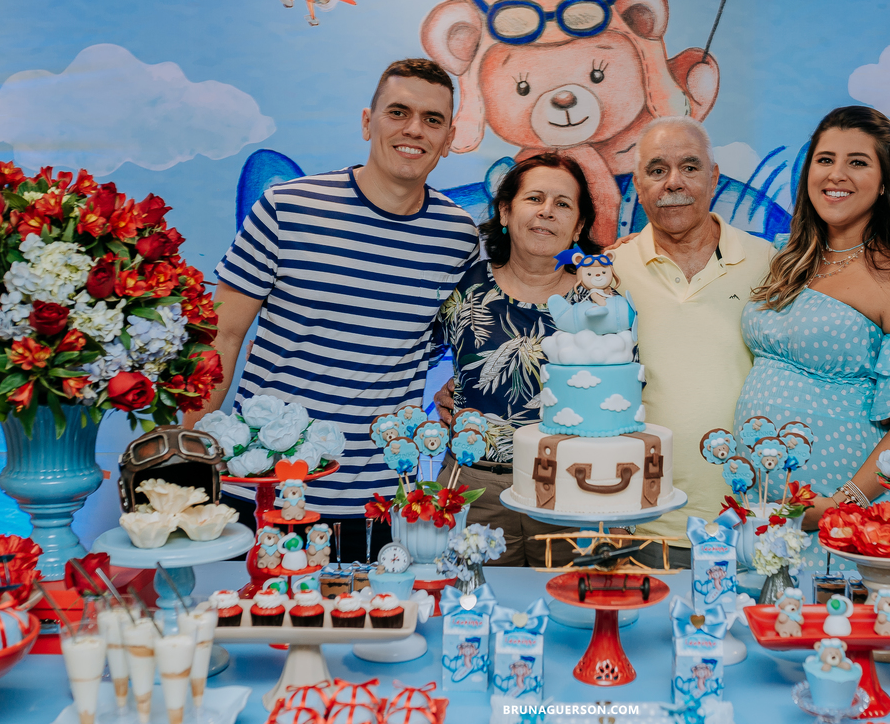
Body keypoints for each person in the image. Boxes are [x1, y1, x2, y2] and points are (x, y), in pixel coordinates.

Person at [185, 58, 480, 562]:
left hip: (381, 507)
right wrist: (184, 457)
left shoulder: (458, 238)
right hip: (262, 492)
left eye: (433, 120)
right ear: (368, 121)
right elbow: (222, 335)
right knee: (251, 634)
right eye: (398, 112)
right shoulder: (287, 207)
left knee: (367, 633)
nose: (414, 129)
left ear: (449, 137)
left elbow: (468, 345)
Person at [734, 105, 890, 571]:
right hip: (755, 509)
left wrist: (841, 503)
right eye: (824, 159)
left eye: (858, 162)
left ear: (884, 182)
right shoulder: (784, 260)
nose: (836, 174)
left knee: (829, 635)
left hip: (841, 518)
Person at [611, 116, 775, 568]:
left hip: (748, 524)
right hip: (638, 524)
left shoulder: (770, 263)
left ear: (714, 176)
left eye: (690, 166)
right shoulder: (610, 271)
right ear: (638, 184)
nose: (674, 182)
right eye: (657, 170)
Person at [434, 152, 599, 566]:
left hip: (572, 490)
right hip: (472, 488)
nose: (547, 212)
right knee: (467, 607)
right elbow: (408, 353)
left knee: (572, 614)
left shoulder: (600, 301)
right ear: (505, 212)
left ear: (578, 226)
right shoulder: (463, 286)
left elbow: (624, 390)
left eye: (563, 204)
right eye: (534, 199)